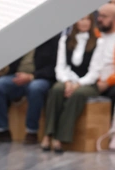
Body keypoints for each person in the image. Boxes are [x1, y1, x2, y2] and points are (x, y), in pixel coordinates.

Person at [41, 15, 101, 152]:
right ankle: (48, 134)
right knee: (56, 90)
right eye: (81, 19)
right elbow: (60, 66)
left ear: (91, 22)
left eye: (87, 19)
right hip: (68, 79)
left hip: (87, 82)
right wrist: (67, 82)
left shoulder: (98, 42)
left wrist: (77, 84)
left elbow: (94, 72)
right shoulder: (65, 40)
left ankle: (60, 137)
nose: (84, 22)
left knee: (77, 94)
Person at [0, 34, 60, 144]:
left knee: (35, 88)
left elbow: (53, 67)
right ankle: (2, 130)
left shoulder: (52, 40)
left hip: (40, 77)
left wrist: (31, 76)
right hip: (18, 76)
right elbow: (11, 63)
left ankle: (32, 132)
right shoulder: (23, 38)